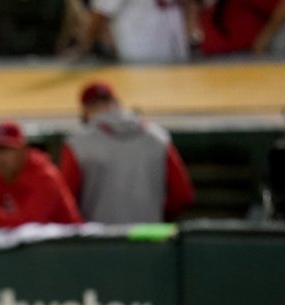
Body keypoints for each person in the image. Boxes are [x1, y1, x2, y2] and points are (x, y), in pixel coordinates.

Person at [58, 81, 194, 223]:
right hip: (151, 236)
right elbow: (182, 196)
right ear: (117, 103)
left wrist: (83, 232)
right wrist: (157, 216)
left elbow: (64, 202)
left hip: (99, 240)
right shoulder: (157, 137)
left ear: (85, 110)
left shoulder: (77, 143)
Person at [0, 120, 82, 229]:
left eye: (6, 149)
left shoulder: (45, 176)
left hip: (69, 246)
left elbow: (29, 224)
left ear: (23, 150)